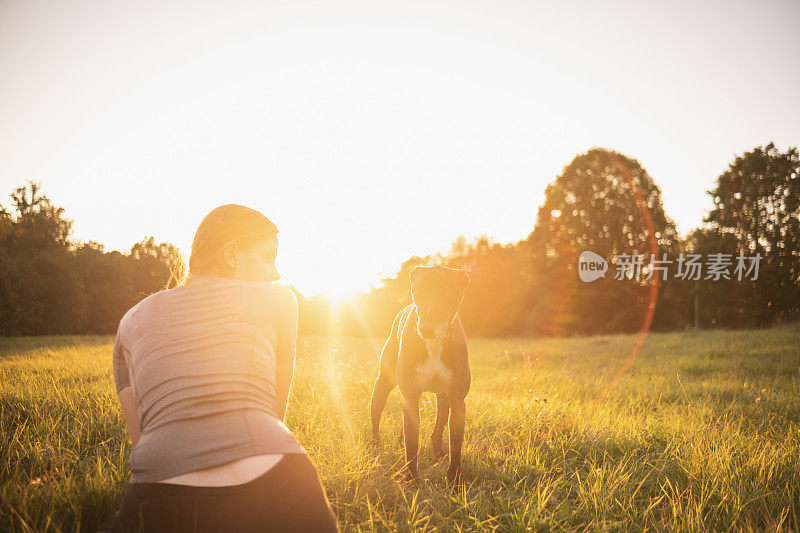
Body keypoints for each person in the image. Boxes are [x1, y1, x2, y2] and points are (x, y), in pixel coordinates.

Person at [108, 204, 338, 532]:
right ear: (231, 255)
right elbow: (274, 413)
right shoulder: (280, 301)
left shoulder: (130, 320)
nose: (275, 273)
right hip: (277, 479)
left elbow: (141, 441)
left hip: (158, 491)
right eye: (267, 257)